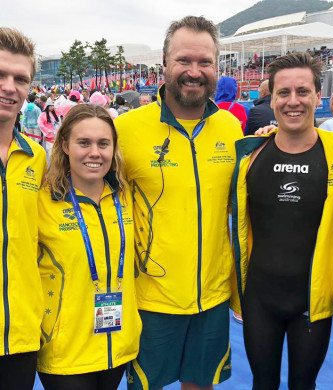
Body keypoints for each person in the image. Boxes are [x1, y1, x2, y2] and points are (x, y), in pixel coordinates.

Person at [115, 15, 243, 390]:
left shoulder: (231, 129)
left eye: (204, 62)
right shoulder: (127, 130)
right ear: (165, 64)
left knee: (201, 385)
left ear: (217, 68)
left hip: (213, 296)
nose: (194, 71)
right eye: (184, 60)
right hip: (151, 298)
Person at [230, 52, 333, 390]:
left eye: (302, 91)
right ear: (272, 97)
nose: (293, 101)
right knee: (262, 383)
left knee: (303, 384)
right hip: (260, 298)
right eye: (284, 93)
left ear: (318, 96)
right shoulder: (250, 155)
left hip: (312, 302)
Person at [36, 104, 142, 390]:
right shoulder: (42, 201)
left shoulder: (125, 195)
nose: (95, 152)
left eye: (103, 143)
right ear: (65, 145)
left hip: (117, 345)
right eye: (84, 142)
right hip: (65, 352)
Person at [0, 27, 47, 390]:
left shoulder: (38, 158)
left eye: (20, 79)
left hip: (21, 334)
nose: (10, 87)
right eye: (1, 75)